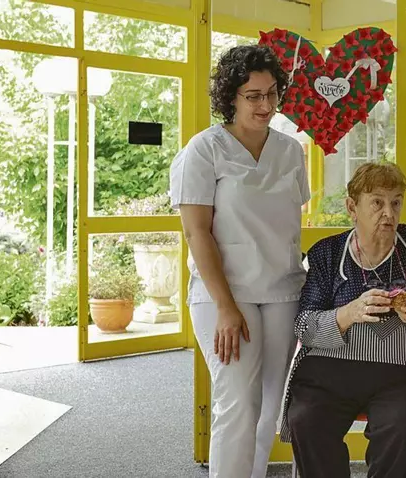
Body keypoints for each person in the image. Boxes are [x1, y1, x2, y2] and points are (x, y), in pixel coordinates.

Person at [169, 44, 309, 478]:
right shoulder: (204, 150)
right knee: (237, 404)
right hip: (225, 295)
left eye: (272, 94)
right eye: (253, 96)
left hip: (282, 290)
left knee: (269, 407)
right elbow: (197, 233)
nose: (265, 105)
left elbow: (288, 225)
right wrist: (226, 307)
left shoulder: (291, 151)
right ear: (231, 96)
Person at [280, 162, 406, 478]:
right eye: (377, 203)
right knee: (307, 418)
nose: (389, 213)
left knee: (402, 422)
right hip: (330, 371)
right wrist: (348, 313)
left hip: (405, 373)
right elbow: (304, 325)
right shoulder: (327, 252)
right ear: (352, 208)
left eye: (396, 202)